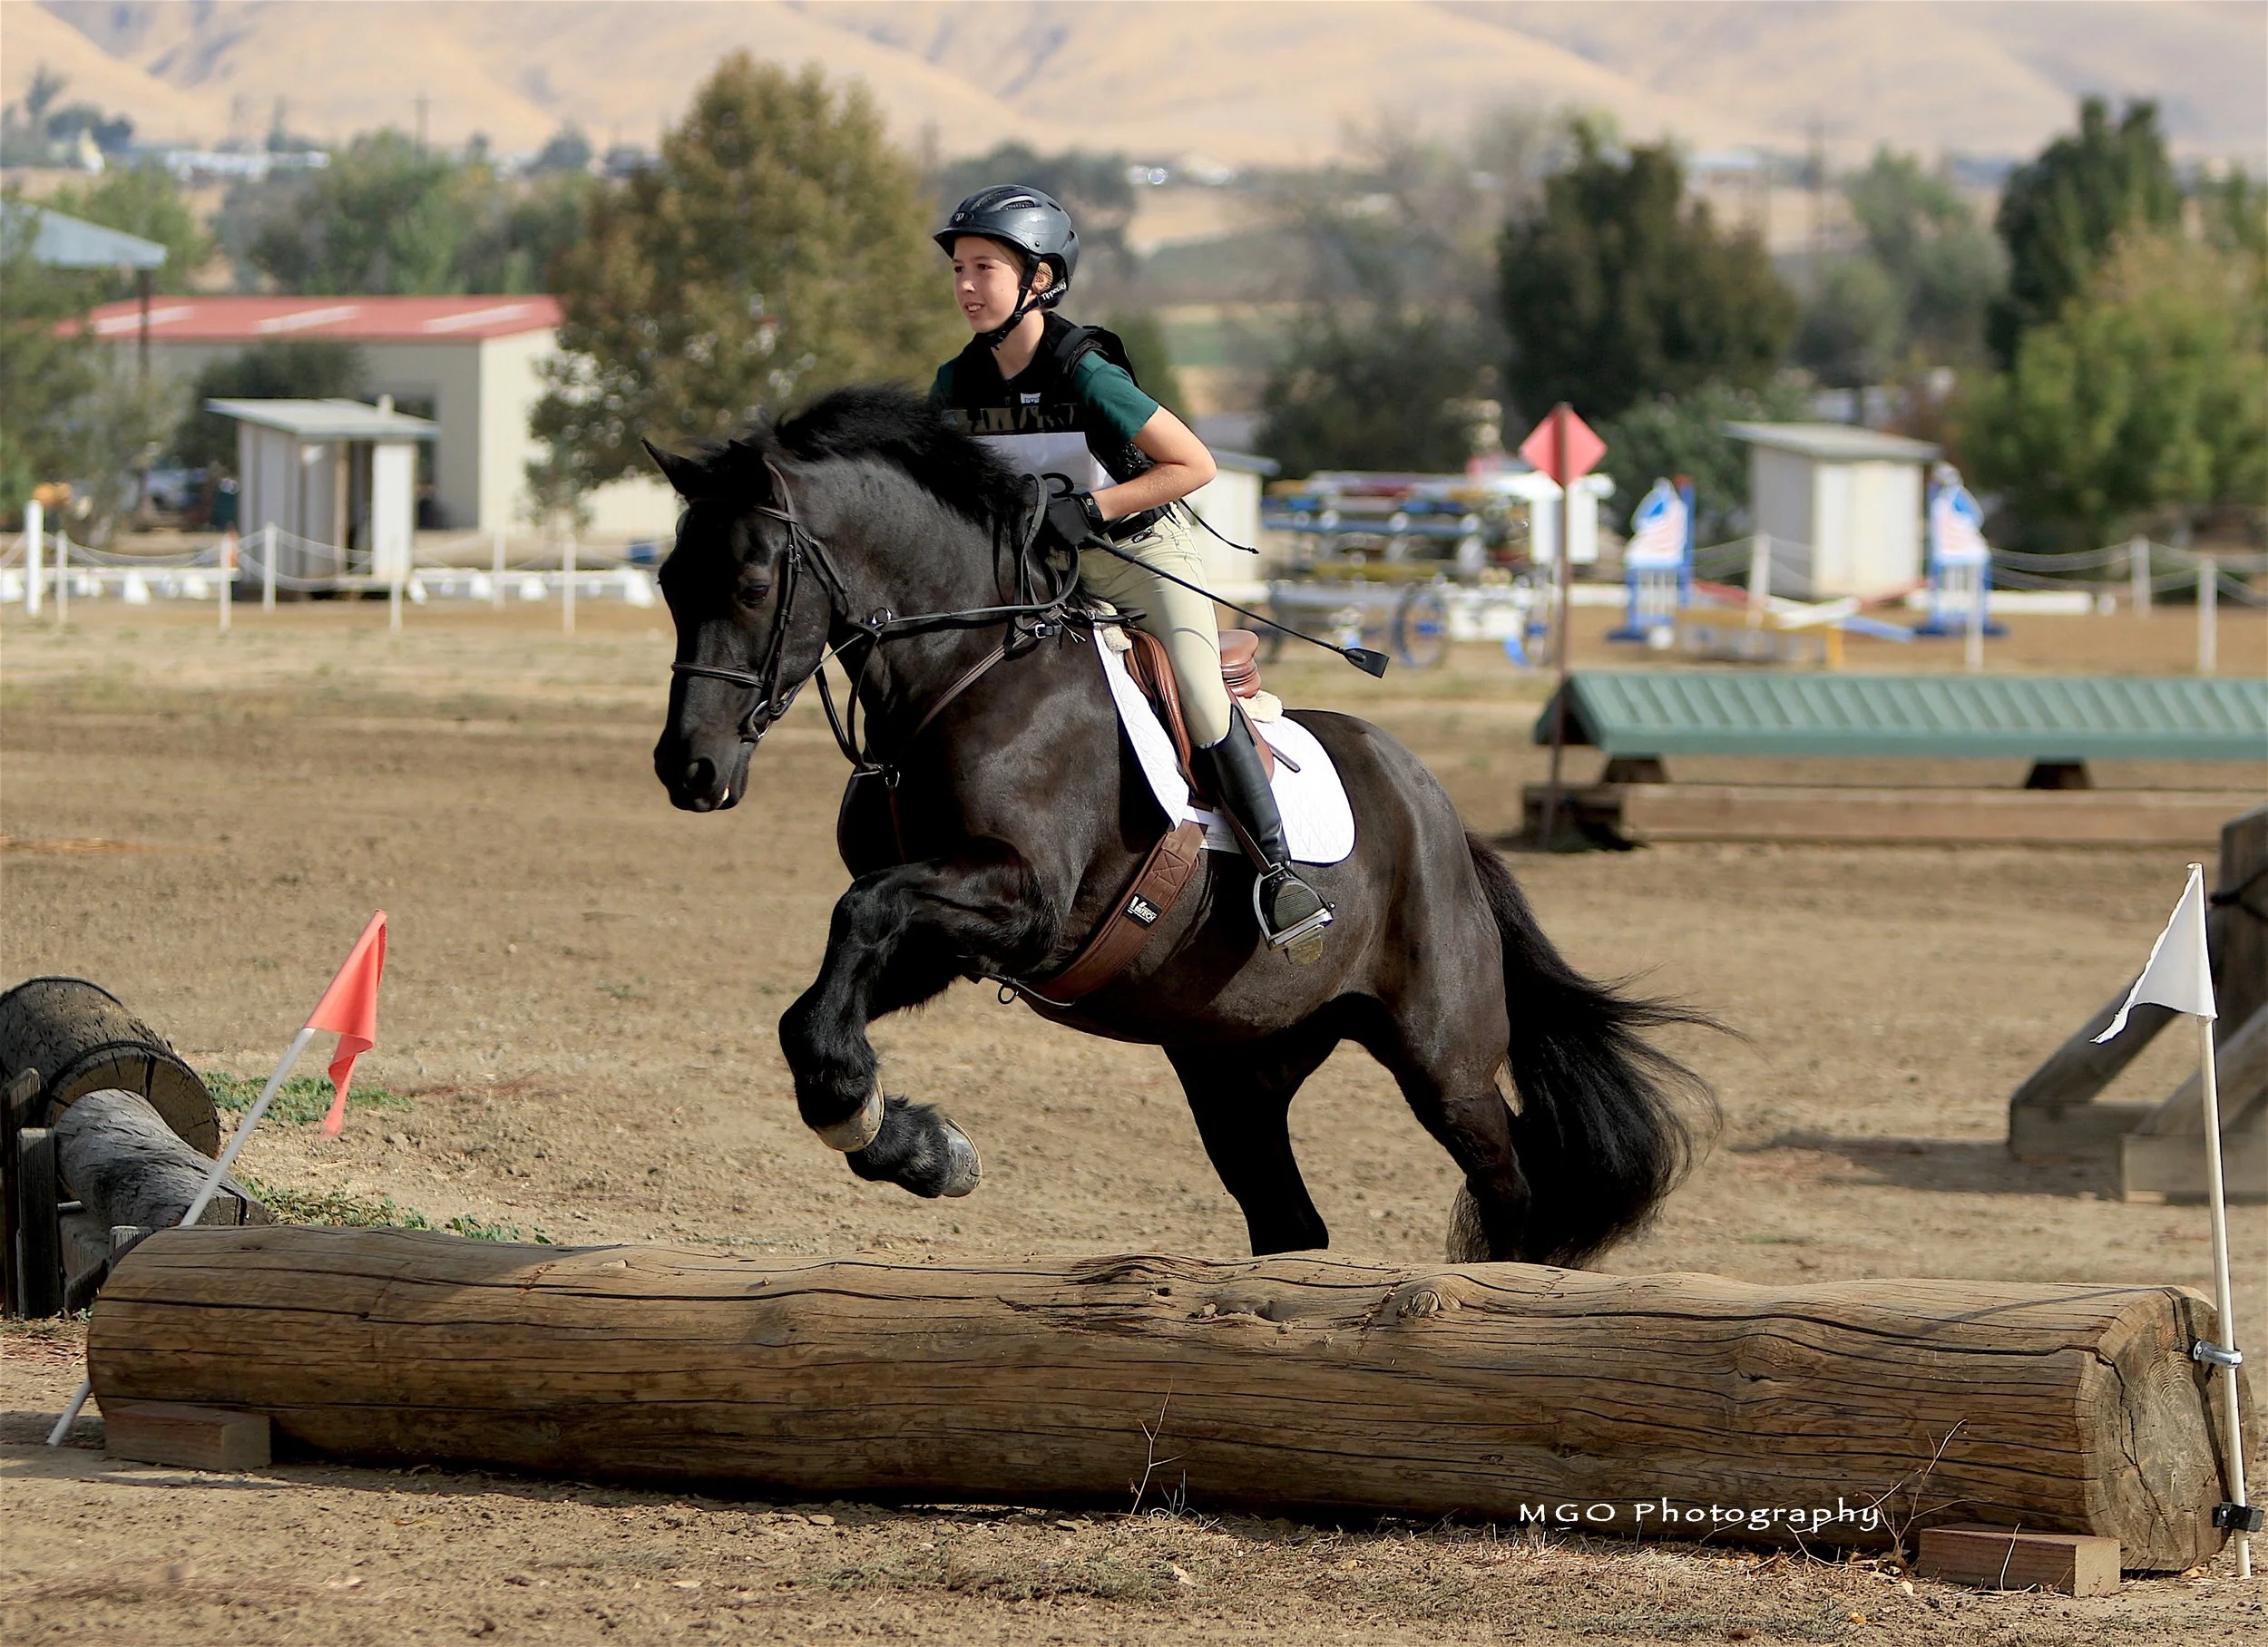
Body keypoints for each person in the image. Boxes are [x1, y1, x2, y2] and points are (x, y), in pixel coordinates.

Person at [929, 184, 1330, 957]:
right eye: (959, 270)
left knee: (1199, 691)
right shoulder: (954, 385)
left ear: (1038, 281)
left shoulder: (1085, 372)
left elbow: (1195, 463)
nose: (967, 286)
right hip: (1036, 568)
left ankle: (1279, 874)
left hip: (1138, 556)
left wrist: (1096, 509)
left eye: (985, 267)